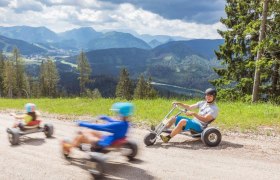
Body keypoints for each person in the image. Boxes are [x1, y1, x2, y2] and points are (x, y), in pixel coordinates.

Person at [62, 102, 134, 156]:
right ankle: (77, 143)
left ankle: (69, 147)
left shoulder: (117, 124)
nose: (116, 113)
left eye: (117, 112)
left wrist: (81, 123)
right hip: (111, 140)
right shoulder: (126, 123)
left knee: (83, 133)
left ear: (121, 113)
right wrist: (106, 118)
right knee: (91, 132)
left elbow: (99, 127)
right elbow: (115, 122)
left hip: (103, 145)